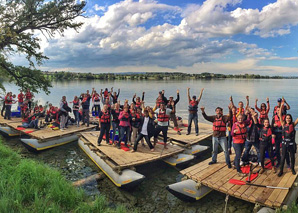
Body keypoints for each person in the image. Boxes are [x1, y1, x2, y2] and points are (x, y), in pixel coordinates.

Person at [277, 98, 298, 177]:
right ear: (285, 119)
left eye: (289, 118)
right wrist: (282, 104)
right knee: (283, 158)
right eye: (287, 118)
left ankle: (292, 169)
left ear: (291, 119)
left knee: (292, 157)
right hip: (284, 143)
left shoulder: (293, 124)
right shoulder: (283, 124)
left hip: (291, 144)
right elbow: (279, 115)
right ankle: (281, 170)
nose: (288, 119)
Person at [231, 112, 251, 177]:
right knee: (238, 156)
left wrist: (249, 114)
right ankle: (238, 171)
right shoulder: (235, 124)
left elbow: (249, 120)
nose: (240, 119)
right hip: (236, 142)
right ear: (237, 118)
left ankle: (234, 164)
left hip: (242, 142)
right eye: (239, 118)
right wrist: (234, 132)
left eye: (241, 118)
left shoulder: (244, 123)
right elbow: (231, 134)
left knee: (238, 154)